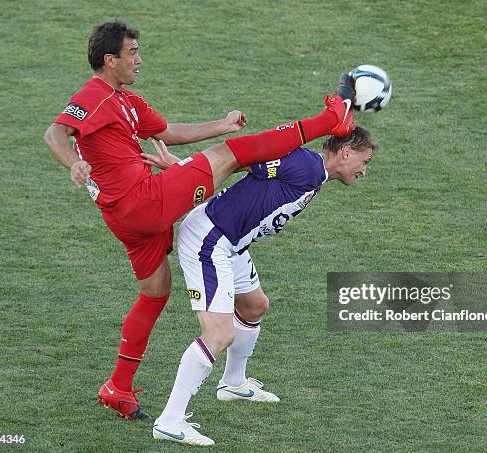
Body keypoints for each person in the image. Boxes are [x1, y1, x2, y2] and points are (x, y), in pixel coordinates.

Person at [43, 21, 356, 420]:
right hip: (143, 202)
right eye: (132, 52)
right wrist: (74, 163)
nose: (139, 60)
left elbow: (168, 132)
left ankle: (118, 386)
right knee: (231, 154)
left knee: (155, 292)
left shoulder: (127, 101)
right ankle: (330, 122)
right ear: (111, 59)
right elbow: (55, 132)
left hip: (126, 217)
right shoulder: (93, 96)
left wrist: (221, 125)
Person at [149, 126, 377, 445]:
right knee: (219, 333)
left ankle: (233, 383)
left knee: (254, 306)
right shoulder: (307, 166)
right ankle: (169, 420)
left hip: (232, 243)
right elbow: (240, 158)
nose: (364, 171)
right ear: (346, 152)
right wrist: (184, 169)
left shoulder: (316, 174)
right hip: (210, 239)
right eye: (364, 162)